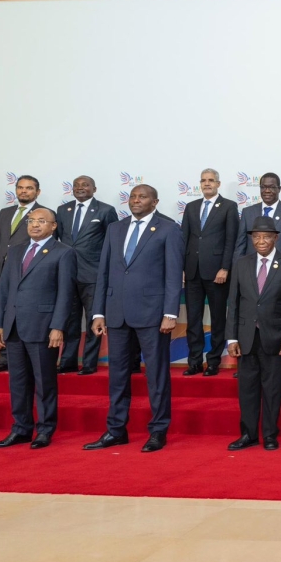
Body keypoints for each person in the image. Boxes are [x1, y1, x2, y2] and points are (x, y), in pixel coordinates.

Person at [85, 185, 184, 453]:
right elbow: (103, 272)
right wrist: (98, 312)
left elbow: (174, 274)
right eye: (133, 197)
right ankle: (116, 430)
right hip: (116, 314)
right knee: (117, 376)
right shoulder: (115, 229)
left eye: (142, 197)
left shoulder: (168, 229)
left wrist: (170, 312)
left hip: (153, 315)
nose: (136, 200)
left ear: (155, 201)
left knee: (157, 376)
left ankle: (158, 430)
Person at [0, 208, 76, 450]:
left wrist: (58, 326)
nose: (35, 225)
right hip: (14, 326)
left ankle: (45, 430)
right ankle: (20, 429)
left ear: (53, 226)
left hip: (43, 327)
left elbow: (65, 294)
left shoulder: (63, 253)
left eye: (41, 221)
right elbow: (4, 291)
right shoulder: (15, 251)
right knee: (17, 382)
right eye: (31, 220)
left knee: (44, 382)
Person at [224, 217, 281, 451]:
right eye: (256, 237)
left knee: (273, 389)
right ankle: (248, 435)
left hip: (277, 339)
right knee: (247, 390)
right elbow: (234, 303)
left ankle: (269, 434)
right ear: (251, 239)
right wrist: (232, 337)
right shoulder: (241, 263)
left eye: (266, 236)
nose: (261, 241)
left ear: (275, 238)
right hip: (247, 338)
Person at [0, 174, 50, 373]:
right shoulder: (5, 212)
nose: (24, 191)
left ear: (37, 192)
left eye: (29, 188)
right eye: (20, 187)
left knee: (25, 316)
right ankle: (5, 357)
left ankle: (26, 358)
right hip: (4, 274)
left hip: (28, 273)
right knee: (4, 313)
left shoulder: (45, 214)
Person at [55, 176, 118, 375]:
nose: (80, 188)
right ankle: (68, 363)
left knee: (93, 321)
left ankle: (89, 364)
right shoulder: (62, 210)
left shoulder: (105, 210)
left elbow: (113, 243)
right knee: (70, 321)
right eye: (76, 185)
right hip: (67, 274)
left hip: (93, 275)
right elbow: (59, 241)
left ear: (94, 188)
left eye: (85, 185)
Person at [180, 168, 239, 377]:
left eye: (211, 181)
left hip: (217, 274)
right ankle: (194, 362)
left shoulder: (229, 207)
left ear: (218, 184)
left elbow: (231, 240)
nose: (207, 184)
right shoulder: (191, 206)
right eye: (203, 180)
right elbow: (184, 239)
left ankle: (213, 362)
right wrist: (182, 269)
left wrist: (225, 268)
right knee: (193, 320)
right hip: (193, 272)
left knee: (217, 320)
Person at [236, 173, 281, 259]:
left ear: (279, 189)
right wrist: (236, 269)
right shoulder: (247, 212)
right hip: (251, 267)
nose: (267, 190)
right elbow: (240, 245)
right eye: (263, 187)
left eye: (272, 187)